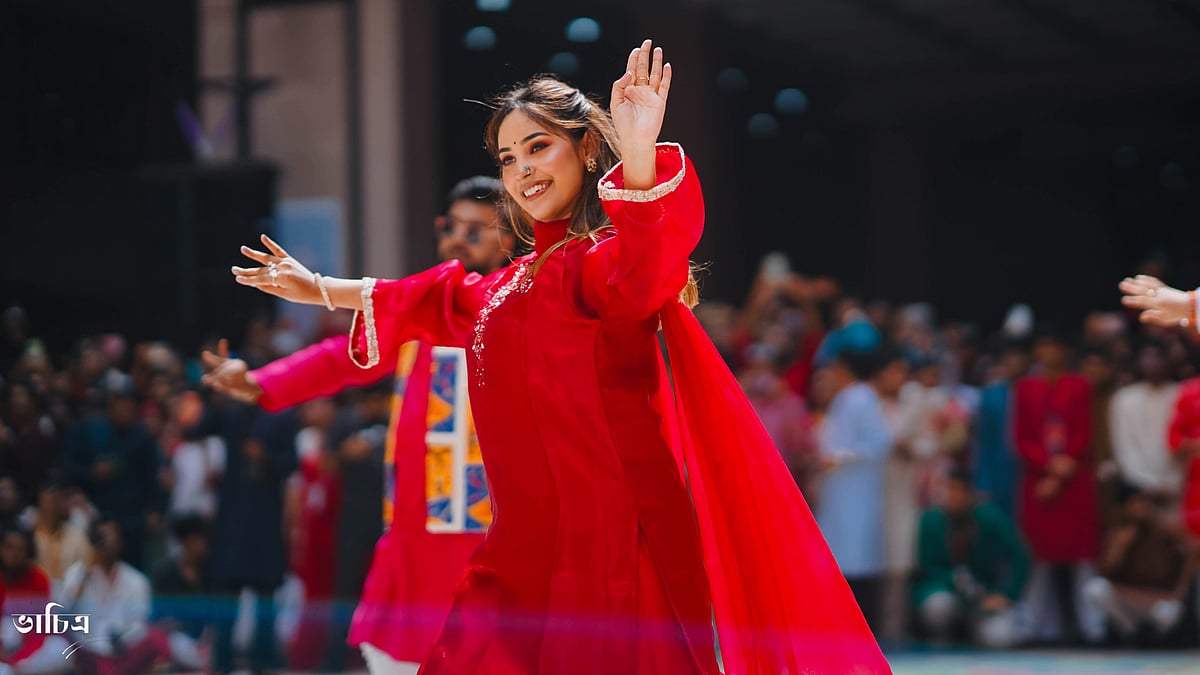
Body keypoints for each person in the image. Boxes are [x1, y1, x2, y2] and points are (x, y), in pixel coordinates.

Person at [221, 40, 888, 674]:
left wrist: (640, 153)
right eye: (508, 158)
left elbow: (648, 266)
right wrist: (317, 288)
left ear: (585, 147)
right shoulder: (507, 285)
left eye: (538, 146)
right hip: (518, 552)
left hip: (613, 551)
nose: (522, 171)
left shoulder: (597, 270)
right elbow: (431, 299)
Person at [203, 176, 516, 674]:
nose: (457, 238)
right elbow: (341, 359)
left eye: (474, 230)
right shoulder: (421, 308)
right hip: (418, 528)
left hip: (493, 531)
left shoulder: (518, 309)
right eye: (449, 225)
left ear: (509, 238)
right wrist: (262, 383)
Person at [1012, 327, 1103, 645]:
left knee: (1081, 557)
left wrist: (1064, 464)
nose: (1047, 352)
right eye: (1043, 345)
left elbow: (1083, 432)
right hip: (1038, 482)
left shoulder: (1080, 386)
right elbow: (1021, 437)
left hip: (1074, 480)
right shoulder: (1025, 388)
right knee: (1037, 557)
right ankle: (1035, 628)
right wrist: (1048, 465)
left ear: (1065, 351)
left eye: (1053, 345)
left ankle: (1093, 628)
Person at [911, 470, 1030, 649]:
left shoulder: (989, 517)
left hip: (983, 595)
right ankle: (948, 635)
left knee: (1000, 637)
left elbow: (1021, 554)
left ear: (970, 494)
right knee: (938, 607)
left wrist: (1008, 595)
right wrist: (954, 580)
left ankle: (976, 631)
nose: (955, 496)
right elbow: (925, 567)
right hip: (946, 591)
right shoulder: (930, 520)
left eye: (960, 491)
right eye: (950, 490)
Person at [1083, 484, 1198, 644]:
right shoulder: (1118, 533)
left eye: (1143, 502)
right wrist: (1119, 548)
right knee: (1096, 589)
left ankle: (1158, 640)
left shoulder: (1163, 530)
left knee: (1168, 611)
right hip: (1129, 598)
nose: (1140, 508)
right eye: (1135, 503)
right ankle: (1132, 634)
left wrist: (1181, 587)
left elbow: (1193, 549)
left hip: (1156, 598)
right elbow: (1106, 574)